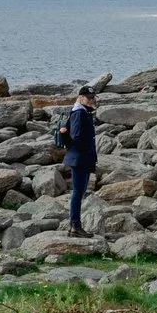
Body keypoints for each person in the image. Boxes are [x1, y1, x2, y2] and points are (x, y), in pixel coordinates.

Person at [62, 87, 99, 235]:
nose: (92, 100)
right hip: (79, 159)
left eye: (93, 97)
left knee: (80, 191)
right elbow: (76, 136)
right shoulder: (79, 113)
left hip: (83, 158)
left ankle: (75, 225)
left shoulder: (84, 112)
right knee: (78, 192)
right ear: (81, 98)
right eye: (89, 97)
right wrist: (85, 152)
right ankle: (75, 226)